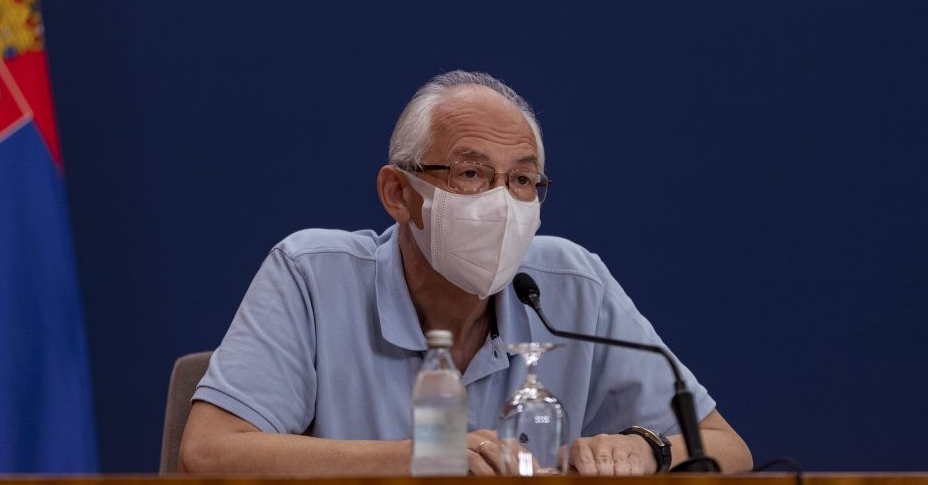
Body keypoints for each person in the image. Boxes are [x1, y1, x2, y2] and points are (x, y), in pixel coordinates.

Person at [180, 70, 751, 476]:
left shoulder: (573, 283)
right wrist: (420, 457)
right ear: (398, 193)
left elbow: (728, 447)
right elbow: (208, 452)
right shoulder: (312, 274)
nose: (502, 203)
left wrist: (650, 449)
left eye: (522, 180)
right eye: (471, 174)